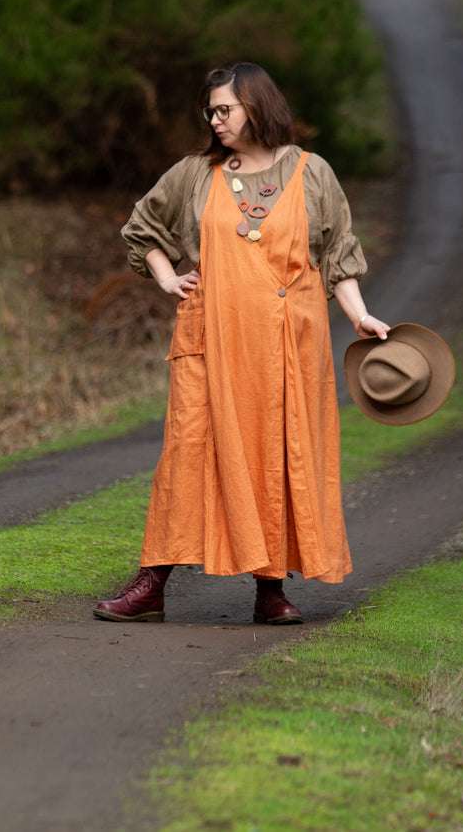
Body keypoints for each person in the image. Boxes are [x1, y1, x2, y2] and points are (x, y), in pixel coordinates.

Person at [96, 62, 389, 625]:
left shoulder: (312, 172)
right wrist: (165, 276)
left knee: (275, 455)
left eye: (224, 108)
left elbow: (337, 256)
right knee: (186, 452)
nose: (215, 119)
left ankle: (270, 591)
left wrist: (359, 316)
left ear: (257, 104)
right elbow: (141, 228)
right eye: (210, 110)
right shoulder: (195, 174)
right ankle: (152, 583)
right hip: (210, 336)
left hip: (286, 343)